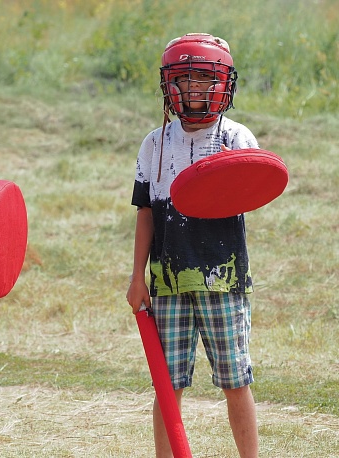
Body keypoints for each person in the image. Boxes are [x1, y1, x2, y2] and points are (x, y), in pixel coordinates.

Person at [126, 33, 259, 458]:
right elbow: (145, 213)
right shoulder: (155, 143)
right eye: (184, 80)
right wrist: (136, 278)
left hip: (223, 281)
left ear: (223, 83)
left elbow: (254, 191)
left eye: (204, 78)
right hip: (165, 284)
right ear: (169, 85)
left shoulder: (236, 139)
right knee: (168, 386)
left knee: (235, 382)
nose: (194, 88)